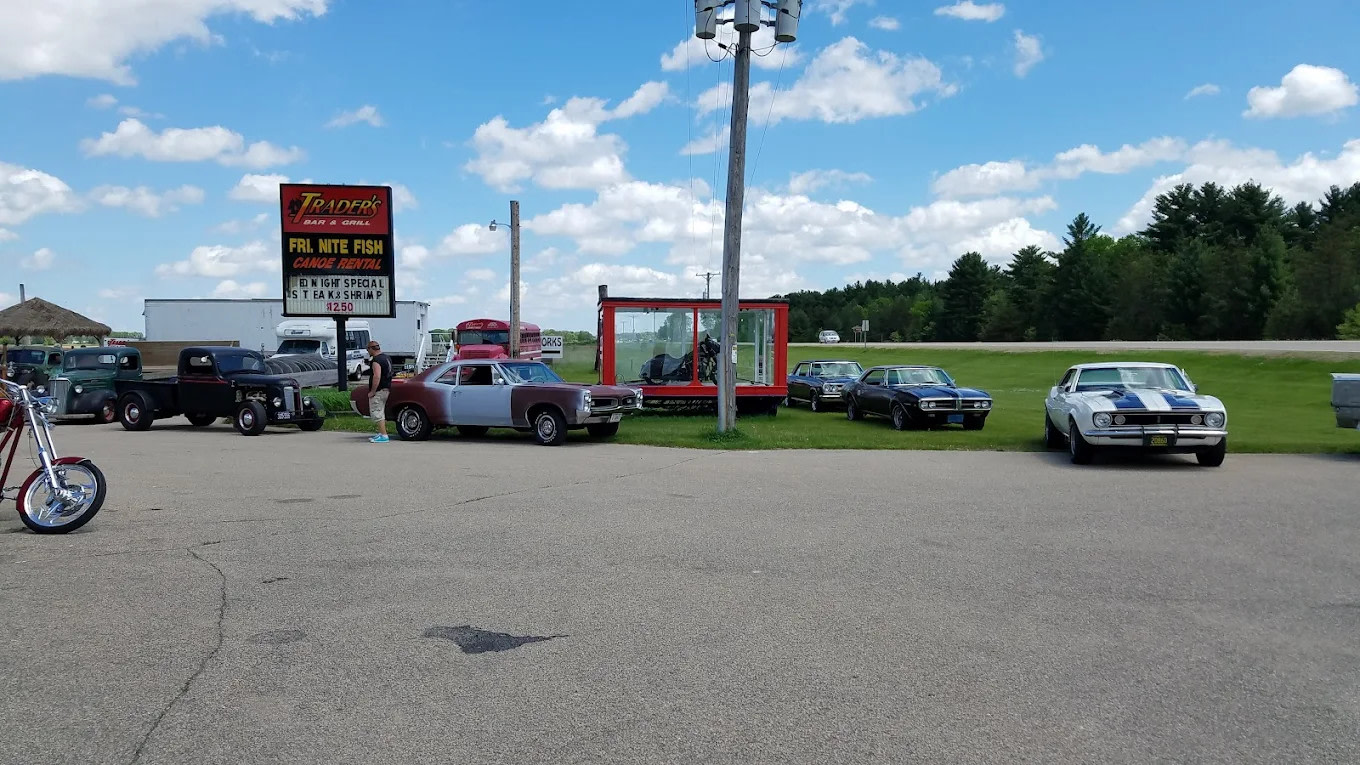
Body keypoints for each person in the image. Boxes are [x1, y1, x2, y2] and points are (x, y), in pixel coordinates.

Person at [366, 340, 392, 443]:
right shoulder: (386, 358)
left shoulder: (376, 360)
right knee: (381, 411)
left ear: (371, 349)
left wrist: (373, 391)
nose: (368, 351)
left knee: (377, 412)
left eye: (368, 349)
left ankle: (384, 436)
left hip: (379, 390)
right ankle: (381, 433)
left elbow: (377, 376)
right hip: (387, 388)